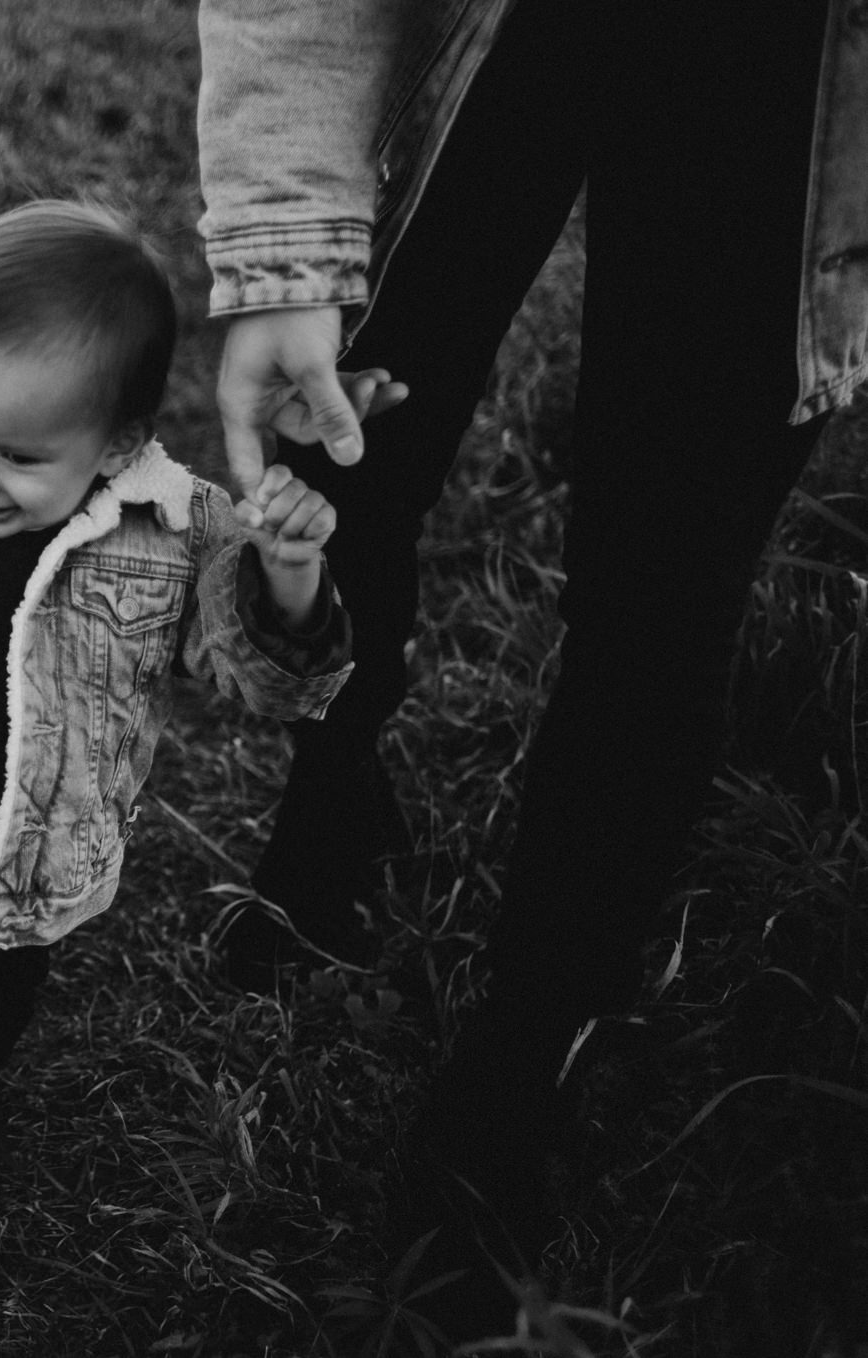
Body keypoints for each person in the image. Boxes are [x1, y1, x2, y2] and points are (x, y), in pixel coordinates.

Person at [195, 0, 863, 1333]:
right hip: (494, 27)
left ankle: (533, 1039)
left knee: (660, 570)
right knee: (351, 438)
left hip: (787, 73)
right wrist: (285, 241)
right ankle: (334, 780)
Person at [0, 200, 402, 1191]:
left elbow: (267, 678)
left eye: (17, 456)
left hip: (18, 845)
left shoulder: (160, 536)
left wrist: (292, 573)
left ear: (116, 438)